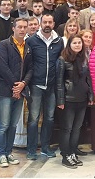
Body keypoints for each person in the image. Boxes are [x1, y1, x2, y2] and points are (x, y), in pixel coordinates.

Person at [0, 18, 32, 168]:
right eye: (19, 27)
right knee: (3, 124)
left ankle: (9, 152)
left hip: (20, 90)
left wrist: (23, 84)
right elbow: (2, 67)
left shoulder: (28, 46)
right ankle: (1, 153)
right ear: (13, 28)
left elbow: (31, 68)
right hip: (4, 90)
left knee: (13, 125)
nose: (22, 30)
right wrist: (15, 86)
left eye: (24, 27)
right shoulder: (3, 45)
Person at [25, 14, 63, 160]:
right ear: (40, 23)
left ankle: (46, 147)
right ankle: (31, 149)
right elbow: (28, 63)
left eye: (50, 22)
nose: (47, 24)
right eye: (45, 22)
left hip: (52, 86)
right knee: (33, 118)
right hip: (36, 85)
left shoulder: (59, 41)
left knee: (49, 118)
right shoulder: (32, 40)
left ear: (54, 23)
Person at [57, 34, 94, 168]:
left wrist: (90, 95)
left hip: (82, 98)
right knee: (67, 129)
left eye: (79, 42)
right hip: (68, 99)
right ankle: (65, 154)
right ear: (69, 45)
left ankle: (72, 152)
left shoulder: (84, 58)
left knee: (77, 128)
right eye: (74, 43)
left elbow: (88, 79)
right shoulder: (62, 59)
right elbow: (59, 82)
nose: (77, 45)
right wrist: (60, 100)